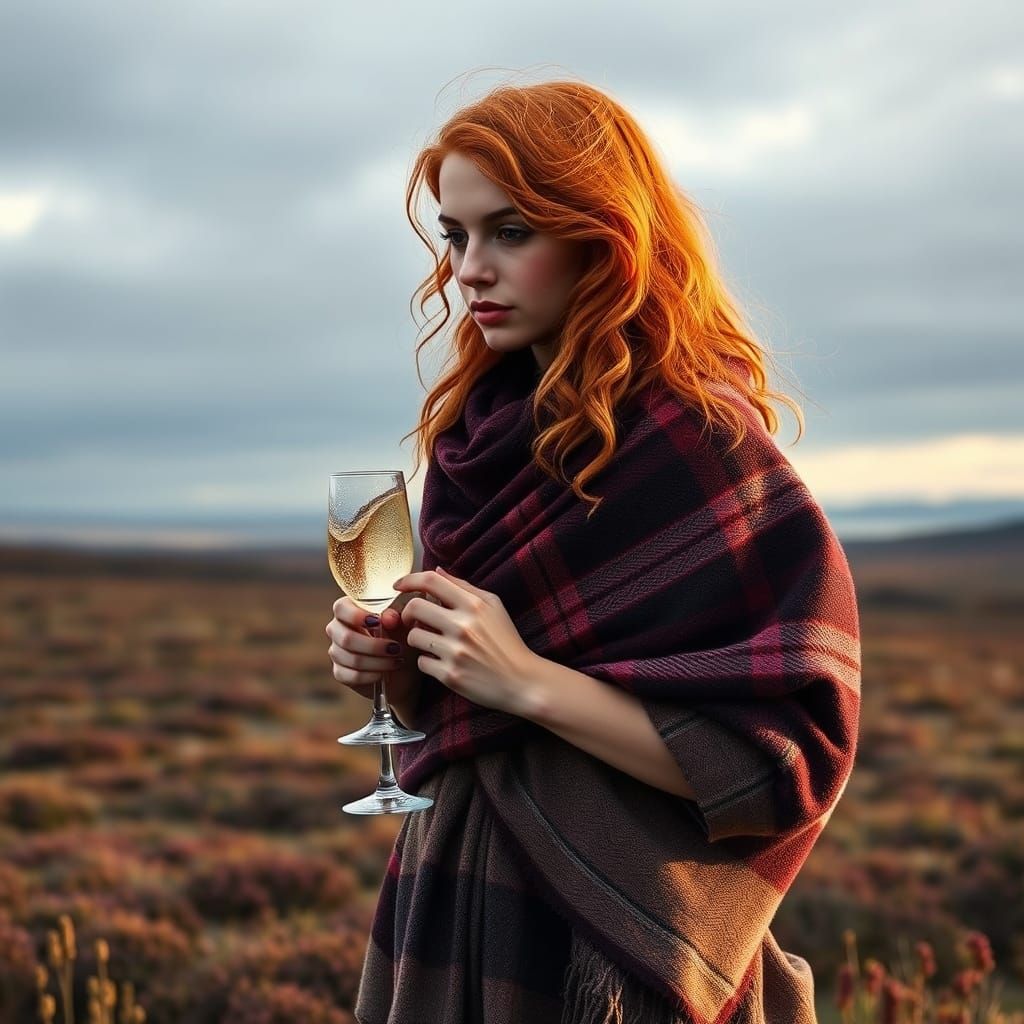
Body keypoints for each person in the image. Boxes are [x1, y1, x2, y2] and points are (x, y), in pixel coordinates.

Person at [326, 77, 861, 1024]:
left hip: (611, 936)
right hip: (453, 896)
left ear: (601, 236)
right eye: (456, 236)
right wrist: (403, 676)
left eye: (511, 232)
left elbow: (787, 762)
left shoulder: (701, 445)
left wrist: (526, 681)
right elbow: (470, 708)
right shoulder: (475, 439)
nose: (471, 270)